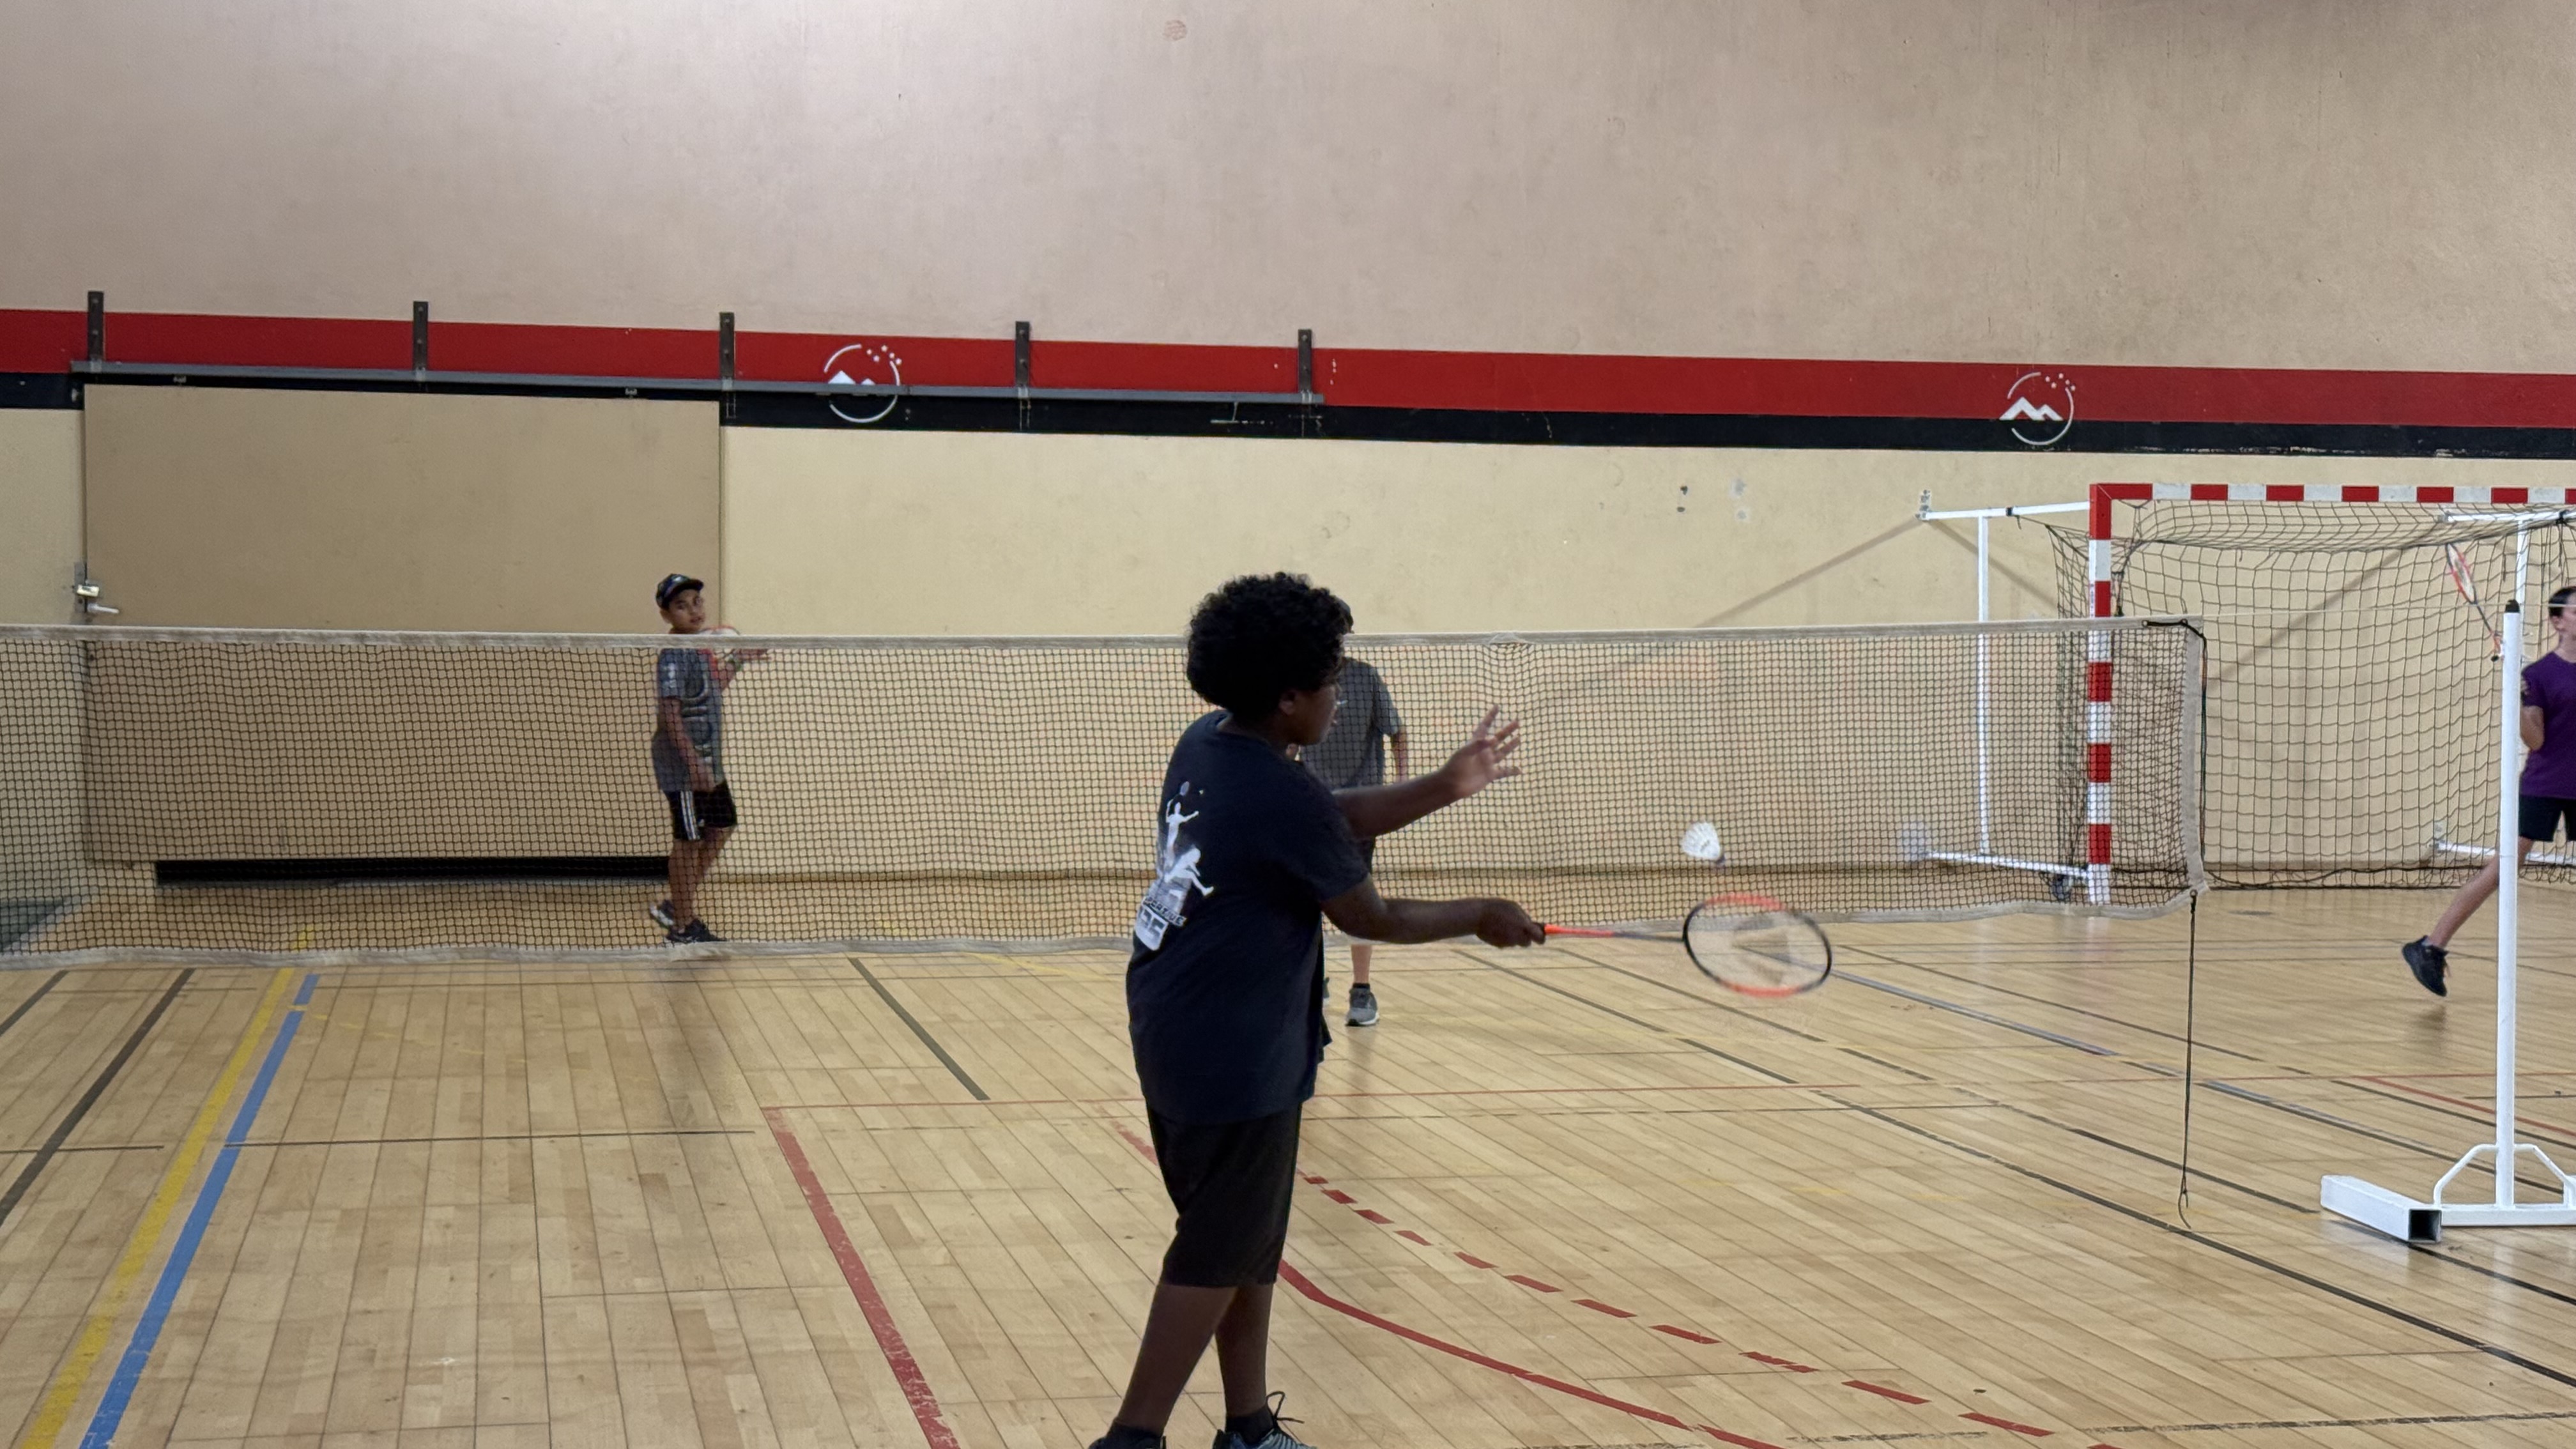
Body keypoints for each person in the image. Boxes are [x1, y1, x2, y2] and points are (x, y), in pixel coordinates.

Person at [1098, 574, 1542, 1449]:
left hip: (1182, 1021)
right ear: (1288, 698)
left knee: (1246, 1243)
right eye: (1329, 683)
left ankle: (1248, 1428)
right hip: (1234, 1049)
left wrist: (1445, 786)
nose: (1341, 699)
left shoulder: (1211, 744)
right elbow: (1369, 916)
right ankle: (1131, 1439)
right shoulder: (1280, 794)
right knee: (1217, 1250)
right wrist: (1480, 913)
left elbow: (1321, 816)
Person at [2404, 583, 2576, 995]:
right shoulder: (2538, 675)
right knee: (2504, 868)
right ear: (2557, 622)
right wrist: (2515, 700)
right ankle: (2430, 947)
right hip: (2546, 784)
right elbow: (2535, 740)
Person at [1297, 655, 1408, 1027]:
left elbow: (1397, 731)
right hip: (1315, 805)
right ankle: (1315, 978)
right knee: (1306, 897)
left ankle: (1362, 989)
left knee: (1360, 899)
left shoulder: (1366, 677)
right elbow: (1290, 745)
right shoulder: (1301, 676)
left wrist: (1401, 785)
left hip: (1361, 809)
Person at [648, 573, 750, 945]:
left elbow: (712, 690)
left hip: (709, 762)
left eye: (697, 602)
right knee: (688, 841)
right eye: (681, 605)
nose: (694, 610)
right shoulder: (673, 657)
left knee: (722, 826)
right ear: (666, 615)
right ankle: (681, 929)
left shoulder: (701, 648)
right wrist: (694, 767)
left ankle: (677, 905)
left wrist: (739, 659)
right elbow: (670, 717)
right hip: (684, 768)